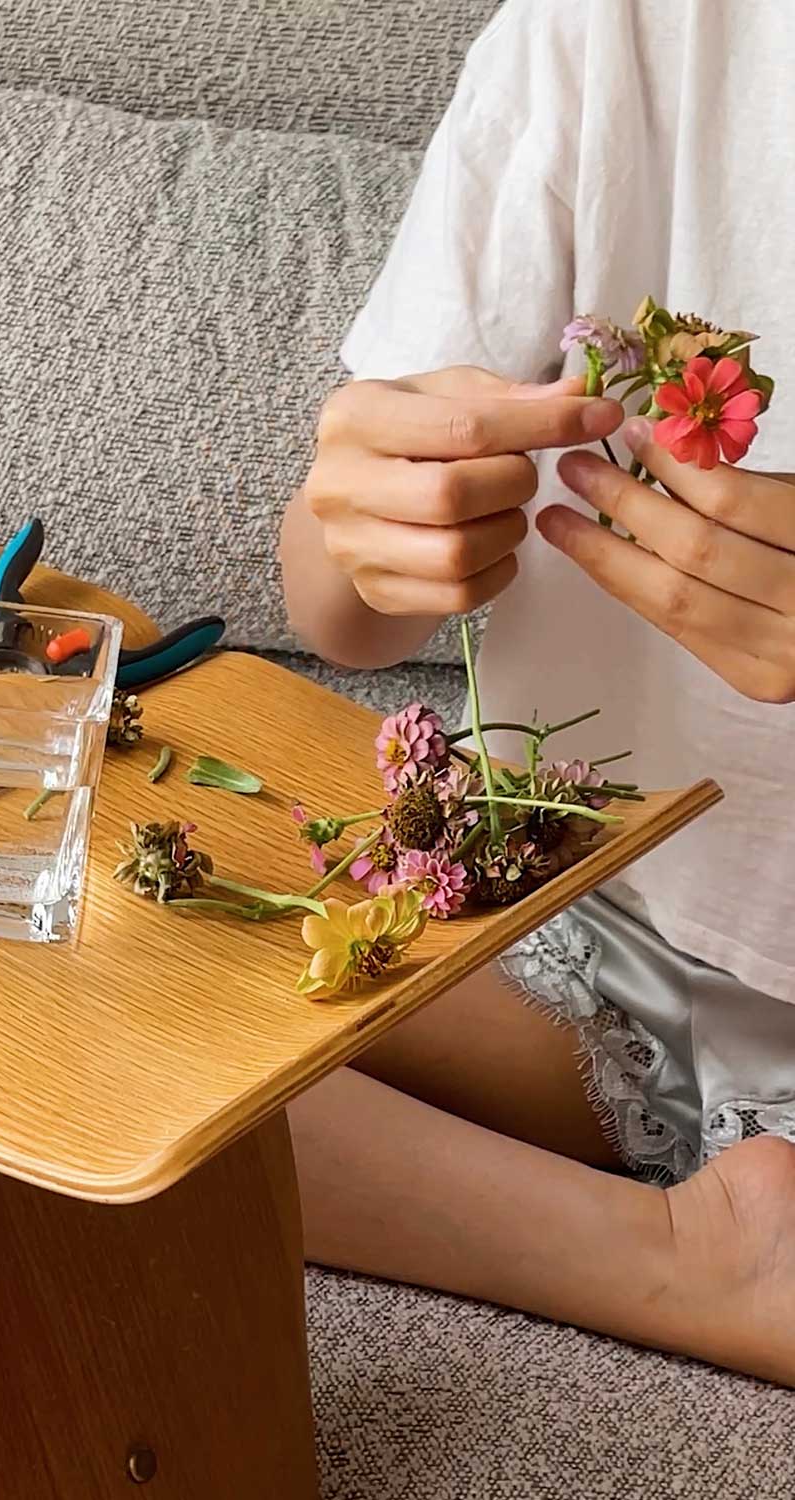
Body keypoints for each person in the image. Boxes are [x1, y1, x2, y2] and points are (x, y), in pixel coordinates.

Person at [280, 0, 795, 1384]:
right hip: (561, 932)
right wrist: (370, 531)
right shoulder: (617, 30)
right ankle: (690, 1265)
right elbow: (334, 607)